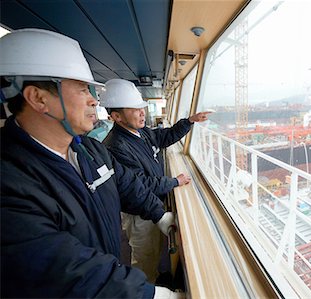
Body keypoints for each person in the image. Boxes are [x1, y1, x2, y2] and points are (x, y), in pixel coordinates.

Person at [0, 28, 182, 299]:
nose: (94, 101)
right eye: (83, 89)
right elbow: (65, 270)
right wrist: (155, 296)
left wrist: (160, 214)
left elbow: (127, 184)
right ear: (39, 98)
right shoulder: (9, 181)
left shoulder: (90, 150)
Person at [100, 78, 211, 283]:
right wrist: (173, 182)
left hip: (152, 205)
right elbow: (140, 184)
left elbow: (164, 136)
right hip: (140, 213)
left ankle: (154, 280)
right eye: (135, 109)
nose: (142, 112)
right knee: (145, 257)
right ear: (116, 116)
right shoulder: (116, 146)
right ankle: (146, 289)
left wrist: (189, 121)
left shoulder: (140, 133)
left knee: (155, 251)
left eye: (141, 107)